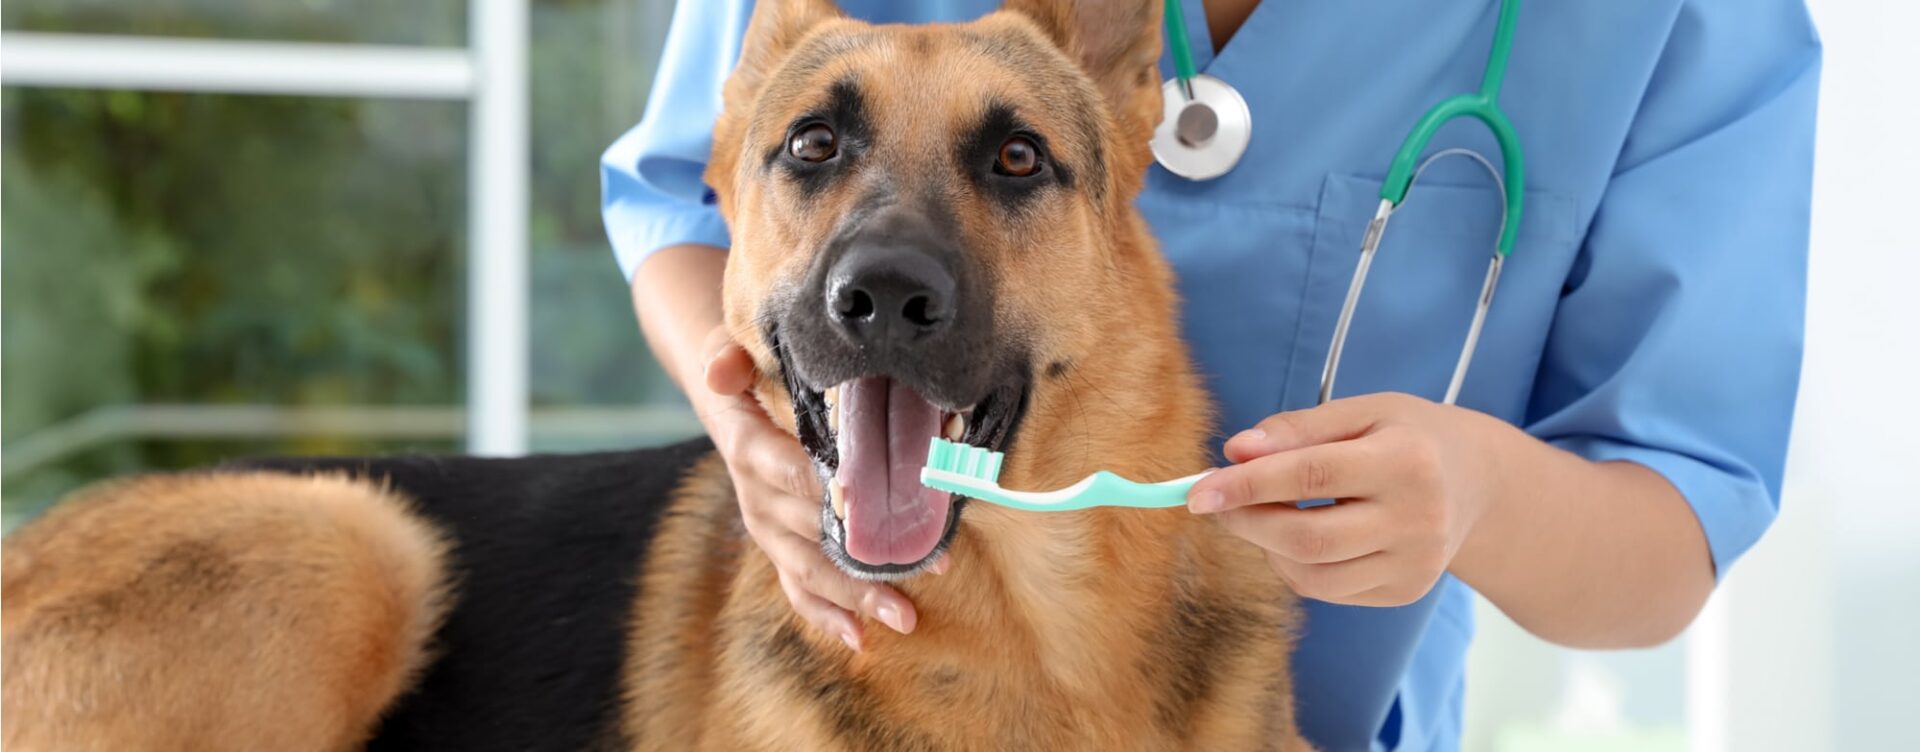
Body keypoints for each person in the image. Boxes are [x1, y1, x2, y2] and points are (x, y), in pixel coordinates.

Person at [600, 0, 1821, 748]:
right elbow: (687, 208)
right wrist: (750, 414)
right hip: (868, 670)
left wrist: (1483, 493)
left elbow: (1673, 518)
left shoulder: (1677, 21)